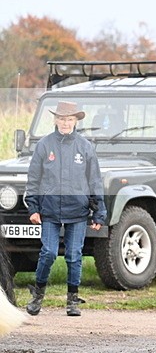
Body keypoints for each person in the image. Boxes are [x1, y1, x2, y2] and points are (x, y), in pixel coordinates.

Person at [25, 101, 106, 317]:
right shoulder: (44, 145)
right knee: (49, 253)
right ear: (55, 120)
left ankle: (72, 301)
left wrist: (99, 212)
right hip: (49, 210)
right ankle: (37, 297)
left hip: (77, 211)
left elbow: (95, 182)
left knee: (73, 255)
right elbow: (33, 180)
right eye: (61, 119)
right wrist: (33, 207)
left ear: (76, 121)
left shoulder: (85, 147)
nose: (65, 123)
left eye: (69, 119)